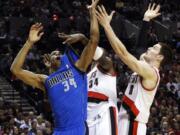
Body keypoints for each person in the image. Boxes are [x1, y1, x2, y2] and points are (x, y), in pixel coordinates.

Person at [10, 0, 99, 134]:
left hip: (78, 129)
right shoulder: (46, 80)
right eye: (53, 53)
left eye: (59, 52)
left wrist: (92, 12)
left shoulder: (77, 68)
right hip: (59, 131)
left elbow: (94, 40)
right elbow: (15, 70)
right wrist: (29, 43)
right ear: (49, 61)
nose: (57, 53)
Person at [95, 3, 173, 135]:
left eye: (154, 48)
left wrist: (107, 27)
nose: (149, 48)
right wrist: (146, 20)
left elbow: (123, 54)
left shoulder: (151, 73)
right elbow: (139, 49)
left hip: (134, 123)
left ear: (159, 57)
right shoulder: (145, 65)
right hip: (125, 119)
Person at [58, 33, 118, 135]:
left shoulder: (108, 66)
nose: (94, 52)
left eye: (98, 50)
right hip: (87, 113)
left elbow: (96, 53)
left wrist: (83, 39)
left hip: (103, 109)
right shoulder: (86, 74)